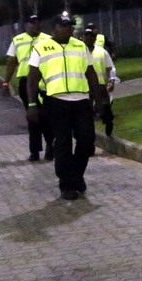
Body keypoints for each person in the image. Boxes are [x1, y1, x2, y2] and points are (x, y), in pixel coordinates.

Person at [27, 14, 101, 201]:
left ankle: (76, 175)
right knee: (63, 143)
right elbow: (32, 78)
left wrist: (98, 99)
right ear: (54, 29)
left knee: (86, 141)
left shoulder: (80, 46)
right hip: (56, 101)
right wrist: (32, 104)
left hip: (81, 100)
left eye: (70, 26)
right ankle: (66, 184)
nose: (68, 29)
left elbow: (90, 73)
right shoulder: (41, 48)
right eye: (64, 26)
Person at [2, 14, 54, 161]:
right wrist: (6, 83)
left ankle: (50, 145)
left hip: (44, 82)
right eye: (32, 23)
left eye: (38, 23)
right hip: (26, 83)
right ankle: (35, 150)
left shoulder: (48, 39)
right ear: (26, 25)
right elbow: (11, 62)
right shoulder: (18, 41)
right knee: (32, 117)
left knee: (45, 116)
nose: (36, 25)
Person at [82, 27, 116, 136]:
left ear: (94, 38)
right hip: (85, 87)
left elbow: (110, 67)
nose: (88, 39)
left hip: (101, 86)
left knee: (105, 108)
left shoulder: (102, 52)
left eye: (90, 36)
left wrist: (111, 81)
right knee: (87, 112)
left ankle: (108, 122)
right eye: (86, 36)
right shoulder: (79, 52)